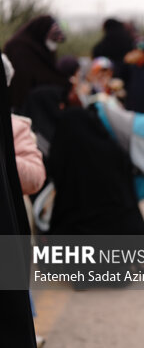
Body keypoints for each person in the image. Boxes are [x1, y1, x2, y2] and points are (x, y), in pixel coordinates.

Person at [0, 49, 38, 348]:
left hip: (9, 223)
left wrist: (6, 160)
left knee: (14, 288)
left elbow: (35, 177)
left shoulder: (17, 127)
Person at [4, 15, 67, 109]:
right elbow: (30, 78)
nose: (53, 43)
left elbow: (48, 71)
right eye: (51, 39)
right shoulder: (19, 48)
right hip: (22, 107)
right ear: (43, 33)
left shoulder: (40, 48)